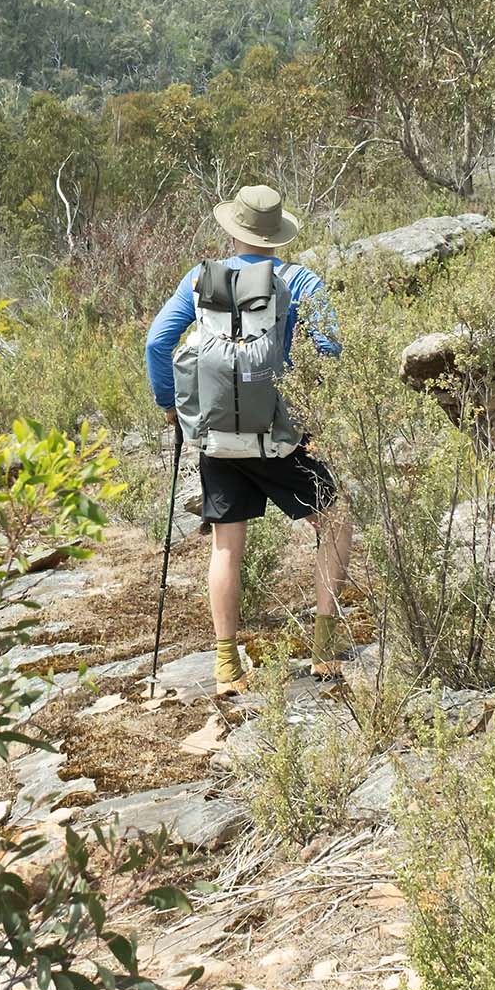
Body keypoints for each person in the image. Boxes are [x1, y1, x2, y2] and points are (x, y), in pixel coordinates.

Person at [144, 182, 352, 695]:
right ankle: (324, 650)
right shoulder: (301, 280)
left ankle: (225, 667)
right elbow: (328, 347)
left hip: (216, 435)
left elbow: (157, 342)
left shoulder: (200, 279)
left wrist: (172, 405)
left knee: (226, 546)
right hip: (280, 434)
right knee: (336, 519)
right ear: (278, 234)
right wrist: (311, 408)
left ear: (233, 229)